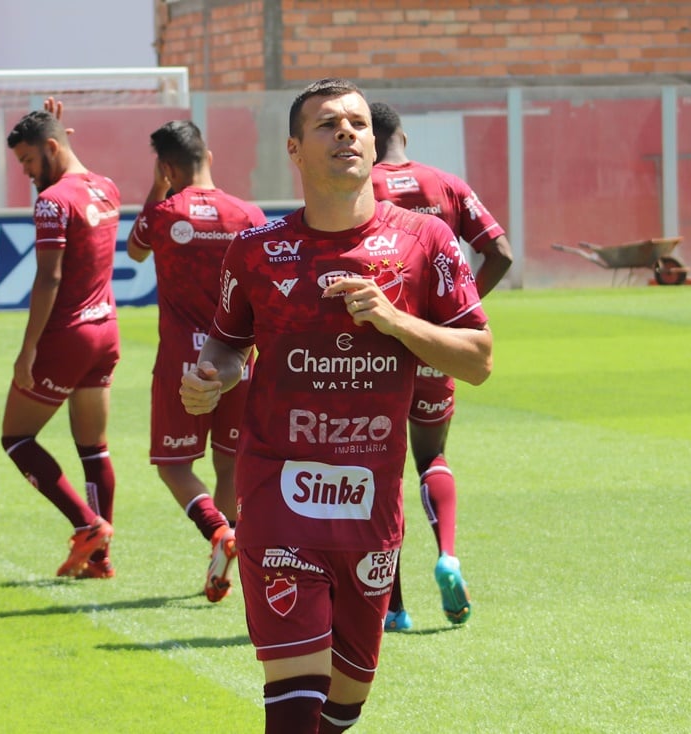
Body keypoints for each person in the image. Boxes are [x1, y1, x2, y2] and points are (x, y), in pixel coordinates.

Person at [180, 79, 492, 734]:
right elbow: (227, 345)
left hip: (370, 504)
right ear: (295, 149)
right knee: (295, 699)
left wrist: (395, 321)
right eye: (327, 124)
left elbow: (478, 360)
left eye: (356, 123)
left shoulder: (426, 241)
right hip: (279, 494)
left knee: (345, 703)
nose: (345, 131)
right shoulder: (257, 250)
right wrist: (212, 377)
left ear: (374, 144)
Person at [368, 101, 513, 631]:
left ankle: (393, 609)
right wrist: (458, 313)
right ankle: (448, 555)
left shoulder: (362, 187)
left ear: (368, 139)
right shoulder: (446, 184)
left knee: (380, 469)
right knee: (431, 455)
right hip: (439, 343)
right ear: (403, 136)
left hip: (380, 347)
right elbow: (501, 252)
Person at [126, 120, 267, 602]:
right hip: (238, 360)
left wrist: (156, 188)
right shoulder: (249, 214)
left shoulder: (163, 213)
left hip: (182, 361)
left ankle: (217, 533)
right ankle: (226, 555)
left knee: (174, 466)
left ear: (166, 168)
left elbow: (135, 251)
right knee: (229, 466)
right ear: (208, 156)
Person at [1, 101, 120, 579]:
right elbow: (68, 160)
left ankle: (86, 525)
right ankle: (100, 559)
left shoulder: (52, 202)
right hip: (106, 330)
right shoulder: (106, 187)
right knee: (94, 447)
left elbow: (48, 278)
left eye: (29, 160)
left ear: (52, 147)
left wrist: (28, 349)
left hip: (68, 336)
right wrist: (55, 130)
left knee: (16, 438)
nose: (27, 172)